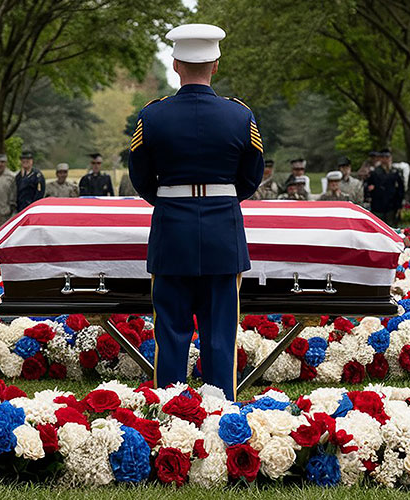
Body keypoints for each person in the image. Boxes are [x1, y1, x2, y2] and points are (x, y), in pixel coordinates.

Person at [128, 23, 263, 401]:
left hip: (172, 231)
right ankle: (221, 410)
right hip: (222, 231)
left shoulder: (152, 117)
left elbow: (140, 178)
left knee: (170, 331)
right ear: (215, 65)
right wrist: (216, 202)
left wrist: (174, 201)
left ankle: (170, 410)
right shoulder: (240, 116)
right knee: (220, 332)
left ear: (175, 64)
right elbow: (250, 178)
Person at [365, 148, 404, 226]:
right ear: (380, 159)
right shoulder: (375, 172)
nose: (385, 160)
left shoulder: (396, 172)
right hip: (378, 205)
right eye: (383, 158)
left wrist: (399, 205)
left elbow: (401, 189)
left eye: (387, 158)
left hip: (392, 205)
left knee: (391, 227)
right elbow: (368, 187)